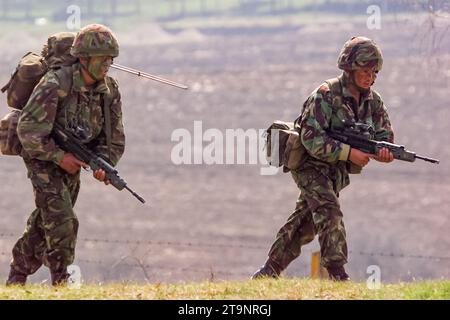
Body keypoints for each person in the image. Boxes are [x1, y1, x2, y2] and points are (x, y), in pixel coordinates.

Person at [253, 36, 395, 281]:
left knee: (305, 222)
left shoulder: (374, 102)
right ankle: (338, 273)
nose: (369, 77)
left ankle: (269, 271)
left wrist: (384, 153)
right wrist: (349, 153)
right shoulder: (325, 95)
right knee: (329, 211)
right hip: (309, 163)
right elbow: (311, 138)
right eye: (364, 70)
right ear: (349, 69)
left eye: (374, 72)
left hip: (334, 170)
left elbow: (385, 137)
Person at [6, 24, 125, 286]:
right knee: (62, 218)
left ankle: (17, 275)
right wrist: (59, 158)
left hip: (75, 158)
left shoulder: (109, 91)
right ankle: (61, 281)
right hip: (42, 155)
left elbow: (114, 138)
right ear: (83, 59)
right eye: (102, 58)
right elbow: (29, 131)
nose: (108, 64)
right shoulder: (55, 84)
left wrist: (104, 164)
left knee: (46, 218)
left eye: (111, 59)